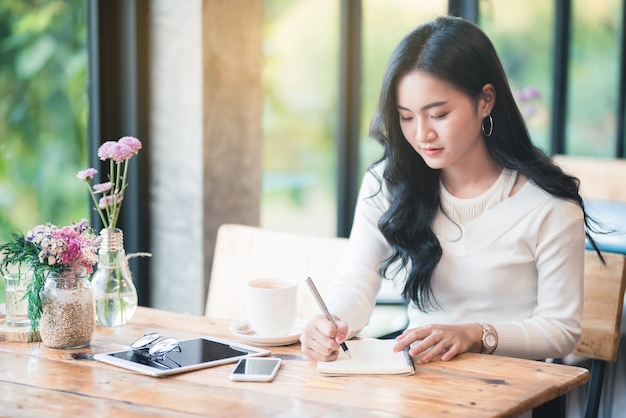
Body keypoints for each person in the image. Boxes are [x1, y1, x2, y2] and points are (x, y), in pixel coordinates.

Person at [300, 16, 600, 364]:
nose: (421, 134)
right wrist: (333, 322)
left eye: (438, 114)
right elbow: (358, 280)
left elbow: (560, 331)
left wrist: (474, 334)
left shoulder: (547, 206)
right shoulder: (389, 183)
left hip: (511, 391)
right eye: (407, 117)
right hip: (418, 385)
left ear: (485, 101)